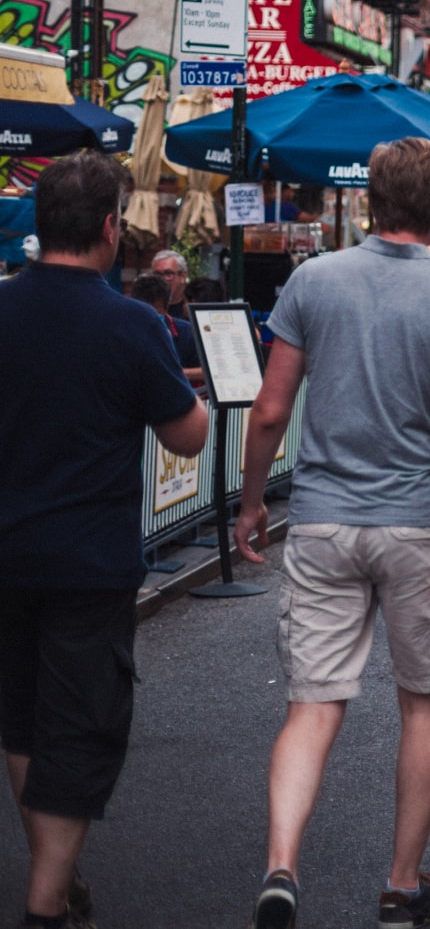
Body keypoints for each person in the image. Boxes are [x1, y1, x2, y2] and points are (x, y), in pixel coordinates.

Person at [235, 137, 430, 929]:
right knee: (424, 701)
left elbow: (272, 408)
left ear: (371, 200)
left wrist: (249, 503)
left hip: (320, 519)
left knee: (311, 705)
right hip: (414, 523)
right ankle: (402, 885)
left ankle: (282, 866)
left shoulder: (312, 279)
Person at [0, 152, 208, 929]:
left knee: (21, 719)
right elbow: (187, 438)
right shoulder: (133, 322)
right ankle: (45, 901)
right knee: (83, 725)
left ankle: (57, 872)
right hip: (90, 558)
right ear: (111, 229)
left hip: (7, 552)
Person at [127, 272, 203, 380]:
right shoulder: (122, 331)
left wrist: (173, 373)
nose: (150, 321)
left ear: (167, 307)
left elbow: (208, 371)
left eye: (156, 314)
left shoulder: (186, 332)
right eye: (144, 313)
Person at [148, 247, 190, 323]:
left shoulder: (190, 310)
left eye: (168, 274)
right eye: (157, 274)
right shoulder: (145, 308)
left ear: (183, 276)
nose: (161, 279)